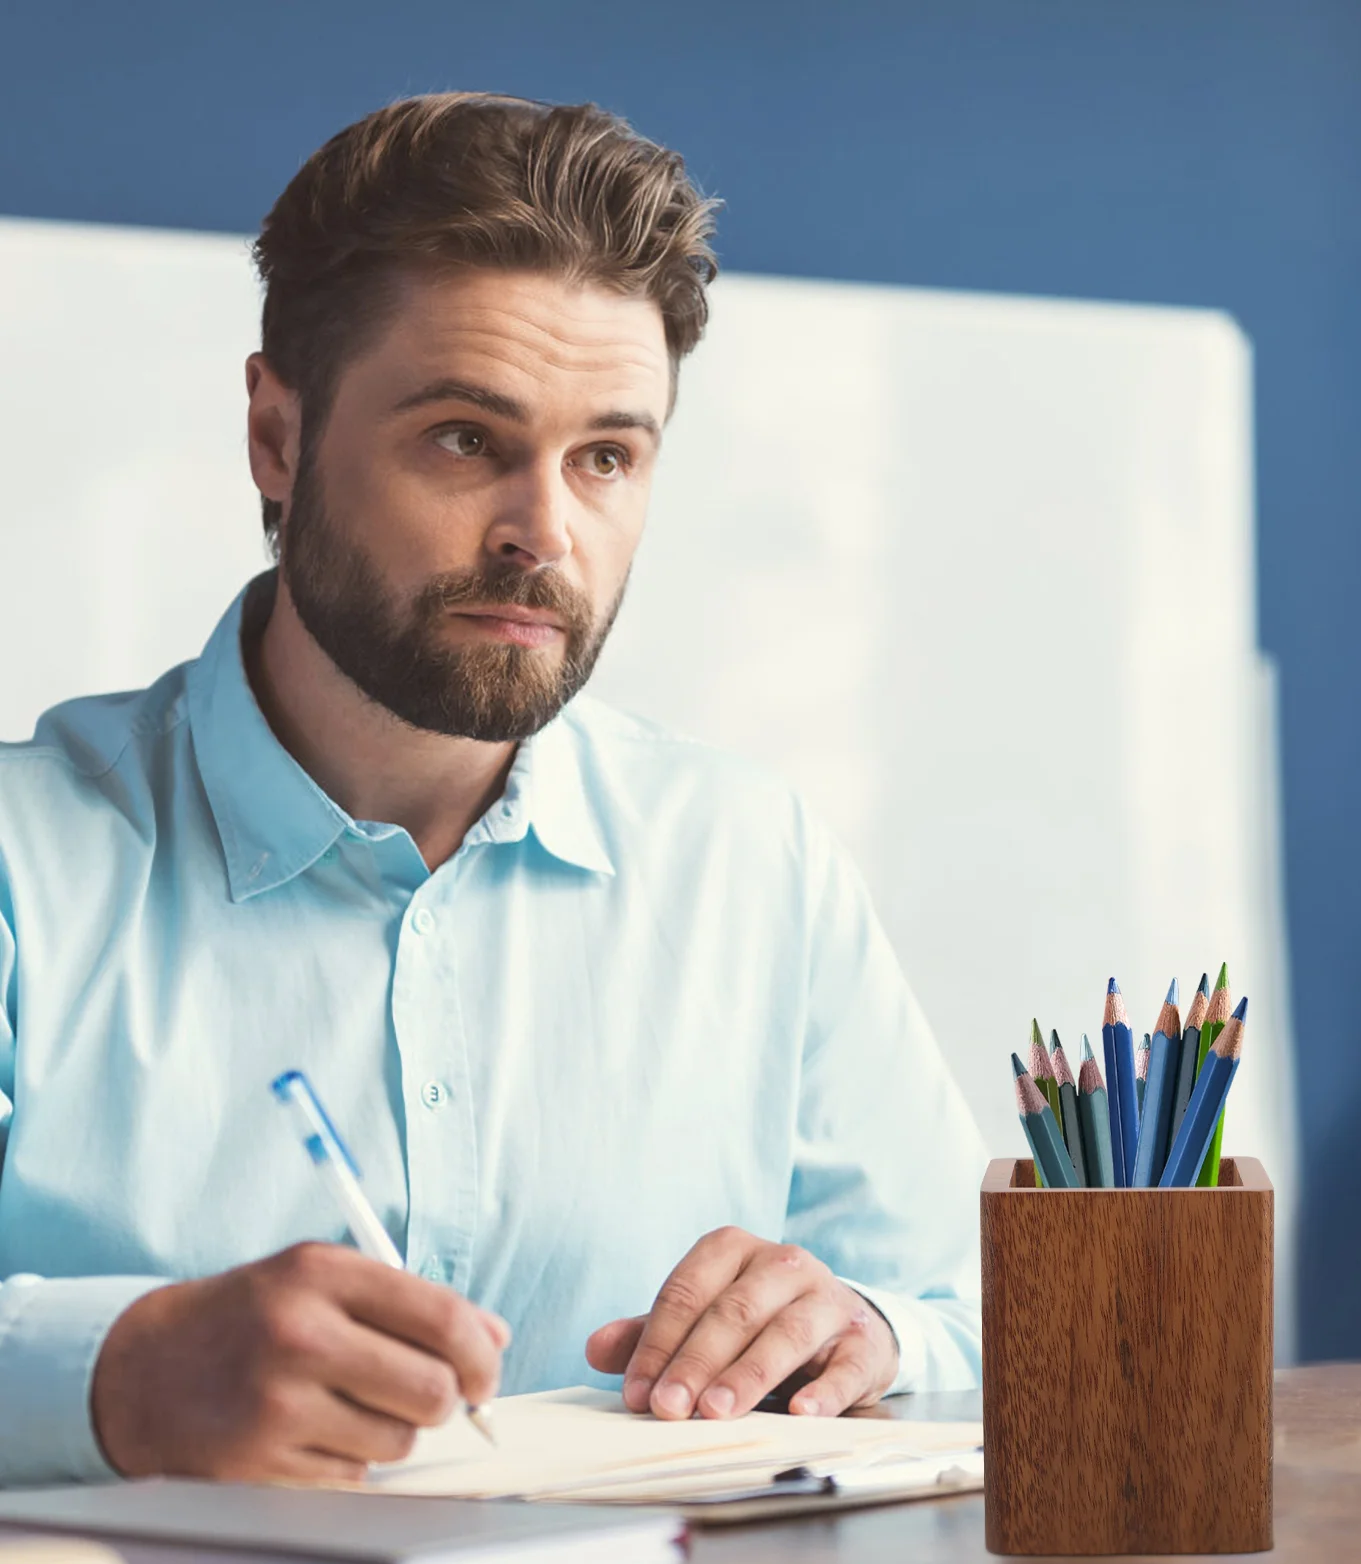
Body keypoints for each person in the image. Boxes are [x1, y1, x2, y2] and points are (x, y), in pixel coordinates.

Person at [0, 93, 986, 1487]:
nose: (545, 533)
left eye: (606, 457)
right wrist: (117, 1380)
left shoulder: (749, 861)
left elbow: (968, 1316)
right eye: (467, 439)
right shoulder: (22, 868)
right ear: (277, 441)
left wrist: (865, 1329)